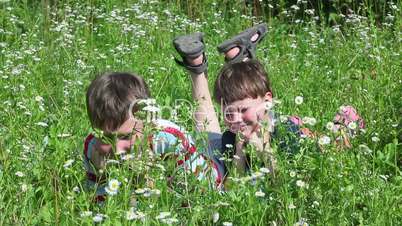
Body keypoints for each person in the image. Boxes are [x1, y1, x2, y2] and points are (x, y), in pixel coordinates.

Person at [172, 23, 364, 179]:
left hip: (298, 136)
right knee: (245, 97)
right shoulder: (231, 138)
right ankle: (239, 55)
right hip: (263, 118)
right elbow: (233, 187)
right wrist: (239, 152)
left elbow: (286, 184)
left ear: (268, 101)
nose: (236, 119)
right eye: (229, 113)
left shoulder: (286, 134)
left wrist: (264, 151)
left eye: (243, 110)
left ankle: (343, 127)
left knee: (332, 147)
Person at [84, 72, 224, 202]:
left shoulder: (171, 140)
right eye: (106, 138)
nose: (117, 149)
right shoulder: (93, 147)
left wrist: (149, 178)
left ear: (148, 122)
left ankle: (198, 70)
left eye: (126, 136)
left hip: (212, 168)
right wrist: (101, 178)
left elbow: (202, 196)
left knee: (211, 137)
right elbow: (98, 206)